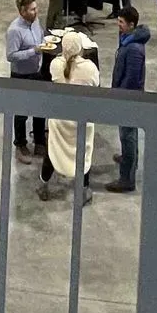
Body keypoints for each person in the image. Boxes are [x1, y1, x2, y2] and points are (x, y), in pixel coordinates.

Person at [39, 31, 99, 203]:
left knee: (53, 151)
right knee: (84, 152)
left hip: (60, 119)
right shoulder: (90, 68)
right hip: (82, 118)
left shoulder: (56, 65)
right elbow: (96, 86)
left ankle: (44, 185)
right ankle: (83, 190)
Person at [106, 6, 149, 193]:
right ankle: (128, 159)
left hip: (128, 98)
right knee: (126, 135)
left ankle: (127, 178)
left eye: (121, 23)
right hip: (124, 95)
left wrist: (119, 97)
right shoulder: (128, 39)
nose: (119, 25)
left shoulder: (134, 50)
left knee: (128, 136)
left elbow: (131, 78)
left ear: (132, 25)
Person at [4, 0, 48, 163]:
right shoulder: (14, 30)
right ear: (22, 11)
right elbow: (11, 56)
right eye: (32, 9)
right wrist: (33, 51)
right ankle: (20, 144)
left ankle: (39, 141)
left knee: (39, 108)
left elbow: (40, 36)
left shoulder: (35, 22)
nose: (36, 12)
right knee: (21, 111)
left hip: (37, 71)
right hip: (21, 75)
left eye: (36, 8)